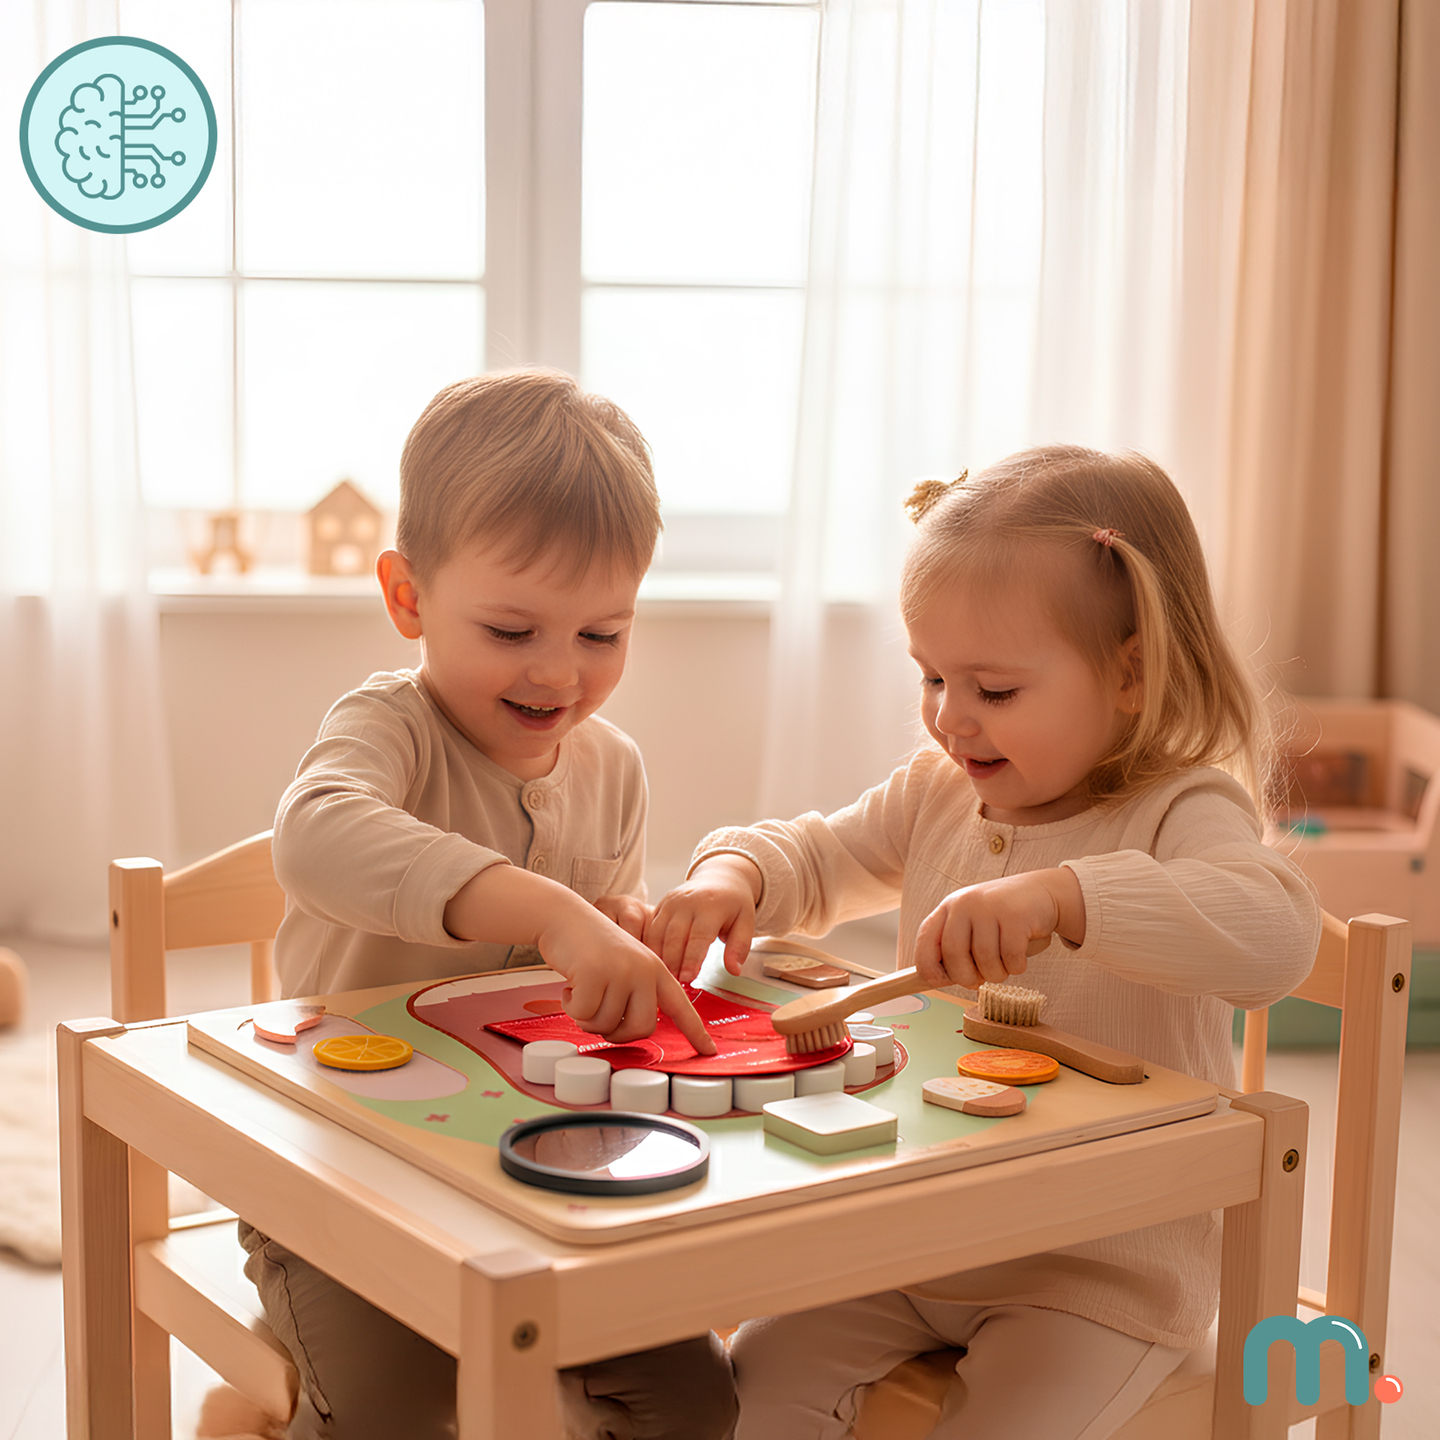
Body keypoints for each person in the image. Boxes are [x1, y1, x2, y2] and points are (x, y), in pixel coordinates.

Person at [646, 446, 1321, 1440]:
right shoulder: (940, 791)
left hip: (1098, 1269)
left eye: (994, 691)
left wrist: (1066, 897)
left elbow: (1277, 933)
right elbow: (820, 853)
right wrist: (733, 875)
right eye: (930, 677)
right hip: (919, 1233)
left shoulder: (1183, 811)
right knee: (751, 1387)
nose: (950, 719)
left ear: (1130, 673)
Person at [247, 368, 736, 1440]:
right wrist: (549, 910)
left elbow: (584, 973)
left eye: (602, 635)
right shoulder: (389, 727)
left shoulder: (613, 768)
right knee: (403, 1411)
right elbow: (314, 831)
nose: (559, 672)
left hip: (534, 1175)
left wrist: (618, 931)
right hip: (342, 1181)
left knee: (704, 1402)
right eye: (513, 631)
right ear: (409, 597)